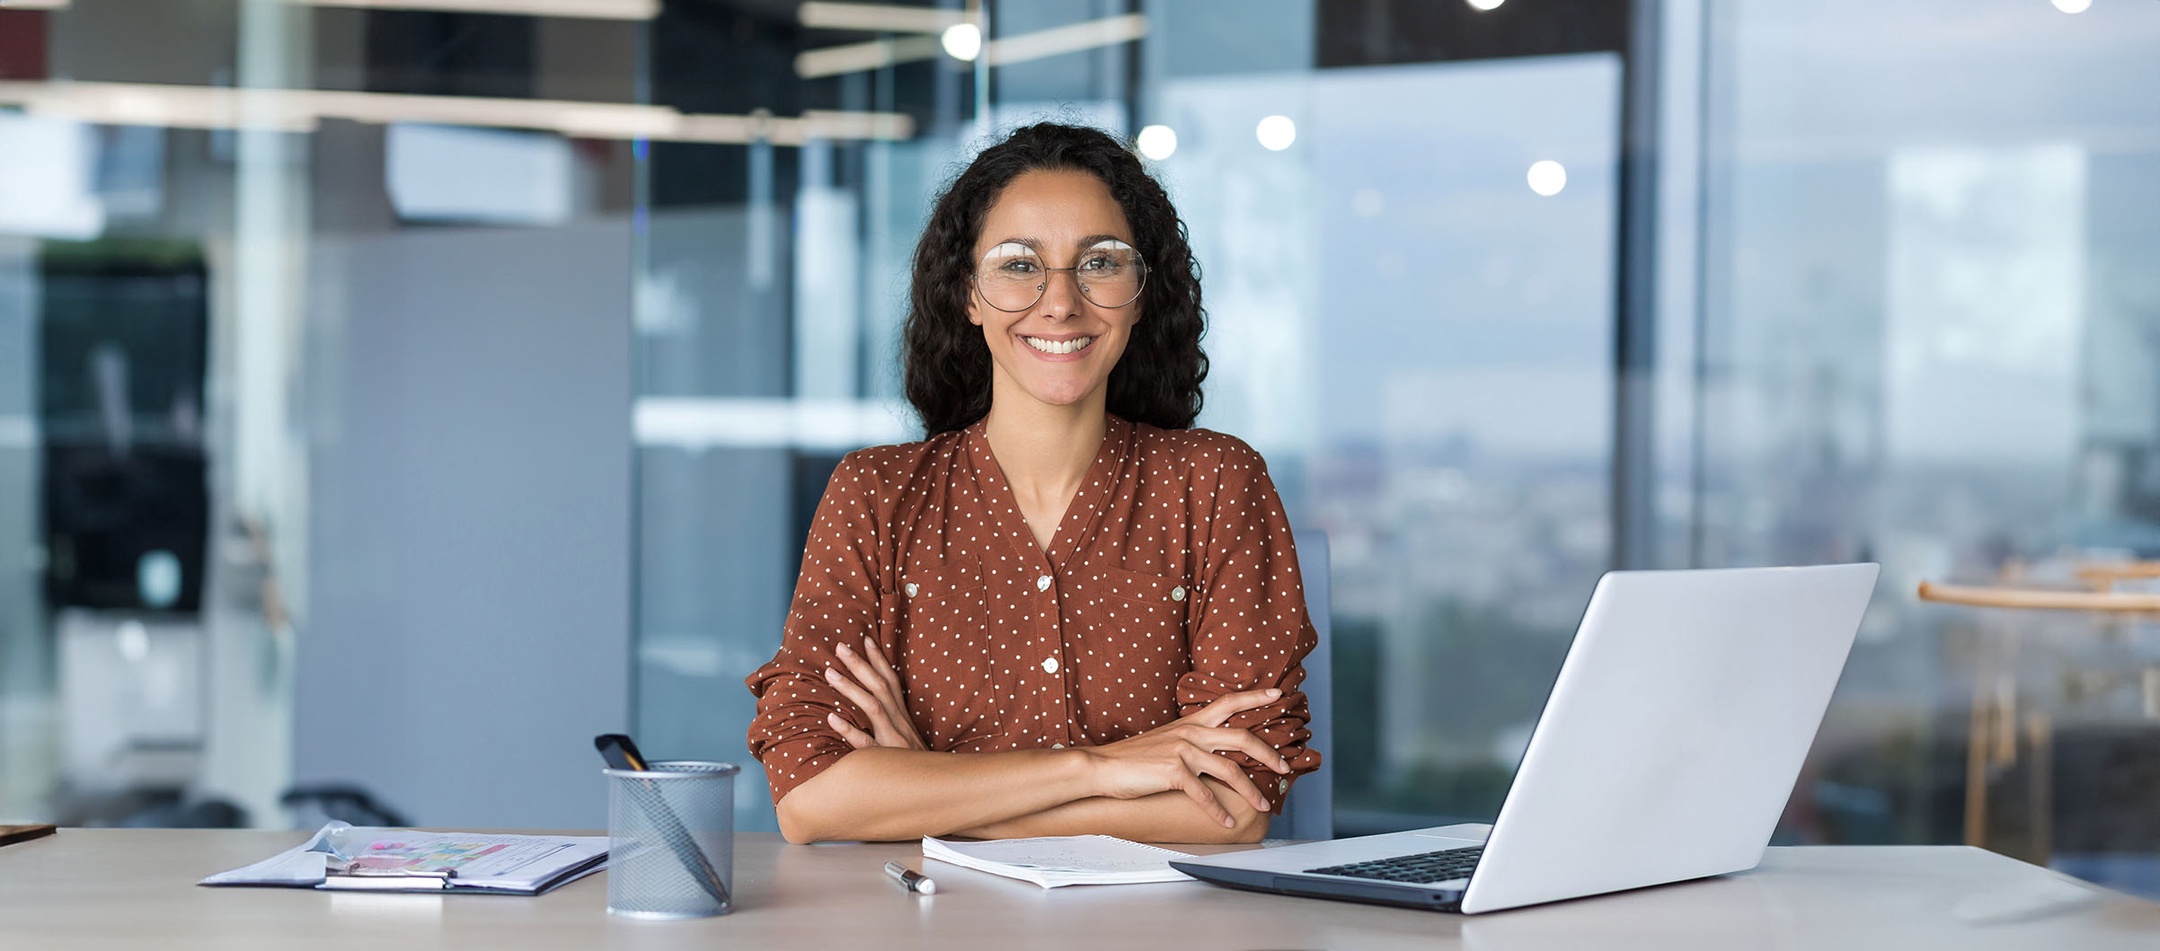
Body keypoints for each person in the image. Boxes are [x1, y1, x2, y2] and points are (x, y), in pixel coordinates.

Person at [745, 123, 1321, 845]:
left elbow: (1236, 808)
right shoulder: (875, 495)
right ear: (969, 295)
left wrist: (926, 786)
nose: (1060, 302)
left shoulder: (1216, 484)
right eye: (1019, 264)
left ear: (1141, 295)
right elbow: (808, 794)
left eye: (1100, 262)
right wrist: (1096, 769)